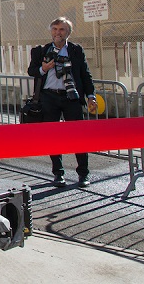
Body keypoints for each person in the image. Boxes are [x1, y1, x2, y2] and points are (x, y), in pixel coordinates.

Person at [27, 17, 98, 188]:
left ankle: (83, 174)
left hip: (71, 97)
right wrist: (44, 69)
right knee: (53, 136)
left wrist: (91, 96)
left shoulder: (75, 50)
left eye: (62, 30)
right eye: (55, 29)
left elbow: (85, 75)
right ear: (51, 31)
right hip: (49, 97)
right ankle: (58, 174)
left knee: (78, 135)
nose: (58, 33)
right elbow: (31, 71)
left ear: (68, 33)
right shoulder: (41, 51)